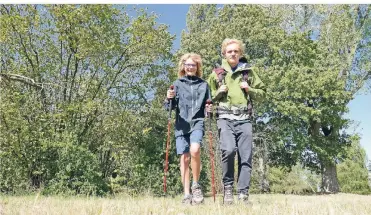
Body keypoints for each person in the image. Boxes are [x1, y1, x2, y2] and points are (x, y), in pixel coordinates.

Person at [207, 38, 266, 204]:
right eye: (229, 51)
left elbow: (263, 93)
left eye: (236, 51)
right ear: (224, 54)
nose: (233, 54)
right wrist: (219, 92)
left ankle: (243, 193)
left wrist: (249, 89)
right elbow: (208, 99)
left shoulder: (249, 72)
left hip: (244, 119)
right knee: (228, 150)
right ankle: (227, 189)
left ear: (240, 53)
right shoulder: (216, 74)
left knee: (245, 156)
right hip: (225, 118)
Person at [165, 53, 212, 205]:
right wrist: (169, 98)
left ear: (197, 67)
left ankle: (196, 185)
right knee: (184, 159)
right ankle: (186, 194)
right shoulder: (177, 84)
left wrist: (209, 109)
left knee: (195, 150)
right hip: (181, 124)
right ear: (183, 67)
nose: (190, 67)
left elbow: (208, 105)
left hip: (197, 122)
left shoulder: (204, 84)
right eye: (188, 65)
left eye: (193, 65)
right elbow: (168, 107)